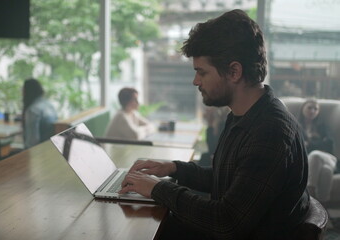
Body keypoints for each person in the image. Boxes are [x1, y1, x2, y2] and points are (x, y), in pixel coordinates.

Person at [119, 9, 309, 239]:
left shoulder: (270, 132)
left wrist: (158, 188)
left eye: (202, 72)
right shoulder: (246, 115)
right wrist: (174, 168)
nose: (195, 81)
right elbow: (231, 180)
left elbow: (226, 221)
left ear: (234, 71)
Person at [298, 99, 337, 202]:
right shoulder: (297, 127)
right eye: (309, 107)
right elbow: (300, 147)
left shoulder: (322, 126)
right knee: (326, 171)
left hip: (329, 158)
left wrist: (310, 143)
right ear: (303, 109)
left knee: (315, 155)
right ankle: (323, 207)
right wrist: (320, 142)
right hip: (311, 162)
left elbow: (329, 144)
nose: (312, 111)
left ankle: (310, 192)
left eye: (316, 109)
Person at [22, 78, 58, 149]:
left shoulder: (32, 110)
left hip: (40, 152)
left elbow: (32, 142)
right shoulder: (48, 104)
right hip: (51, 148)